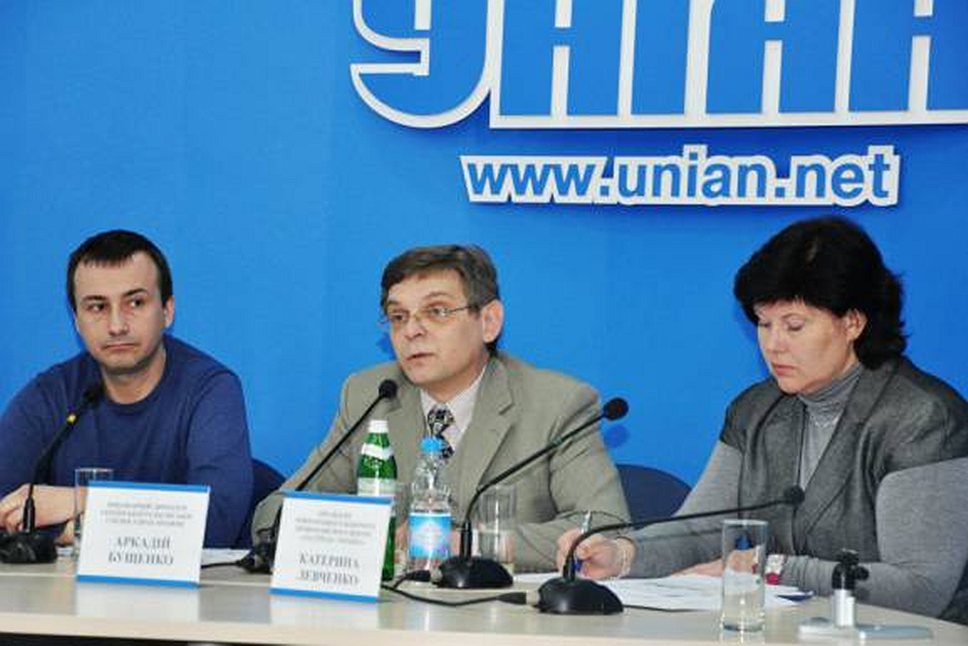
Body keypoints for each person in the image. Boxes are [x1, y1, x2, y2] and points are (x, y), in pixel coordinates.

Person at [558, 217, 968, 621]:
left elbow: (921, 588)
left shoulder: (922, 419)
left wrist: (771, 570)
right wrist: (623, 555)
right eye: (763, 323)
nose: (773, 344)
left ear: (853, 322)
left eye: (794, 326)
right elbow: (700, 530)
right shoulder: (756, 410)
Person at [253, 244, 629, 571]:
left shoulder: (557, 404)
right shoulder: (369, 395)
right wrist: (364, 536)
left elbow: (603, 527)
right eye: (398, 317)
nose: (411, 330)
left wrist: (464, 543)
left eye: (437, 311)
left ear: (489, 321)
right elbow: (276, 513)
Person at [0, 230, 253, 547]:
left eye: (135, 302)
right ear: (76, 320)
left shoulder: (209, 390)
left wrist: (81, 502)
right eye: (97, 307)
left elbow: (215, 524)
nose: (117, 326)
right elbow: (4, 511)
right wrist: (74, 529)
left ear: (167, 311)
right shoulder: (49, 396)